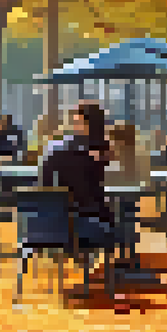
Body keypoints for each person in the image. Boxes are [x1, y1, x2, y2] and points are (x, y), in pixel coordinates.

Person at [39, 101, 117, 249]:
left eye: (78, 123)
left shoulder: (58, 153)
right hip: (90, 223)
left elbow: (45, 186)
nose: (76, 127)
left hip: (61, 223)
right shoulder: (104, 153)